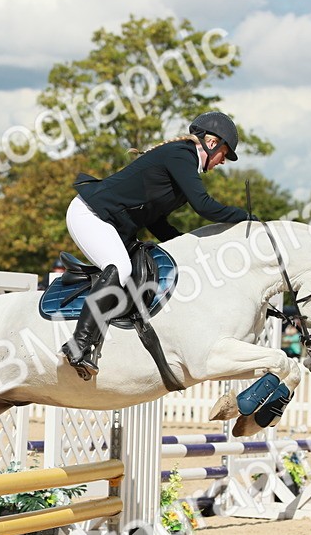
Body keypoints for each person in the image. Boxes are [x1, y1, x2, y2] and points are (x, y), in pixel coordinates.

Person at [61, 111, 252, 378]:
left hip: (111, 224)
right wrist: (245, 217)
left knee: (142, 269)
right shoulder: (182, 155)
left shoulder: (182, 161)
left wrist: (187, 250)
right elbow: (205, 206)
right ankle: (78, 344)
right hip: (89, 214)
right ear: (211, 143)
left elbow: (157, 223)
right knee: (121, 268)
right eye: (225, 153)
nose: (223, 161)